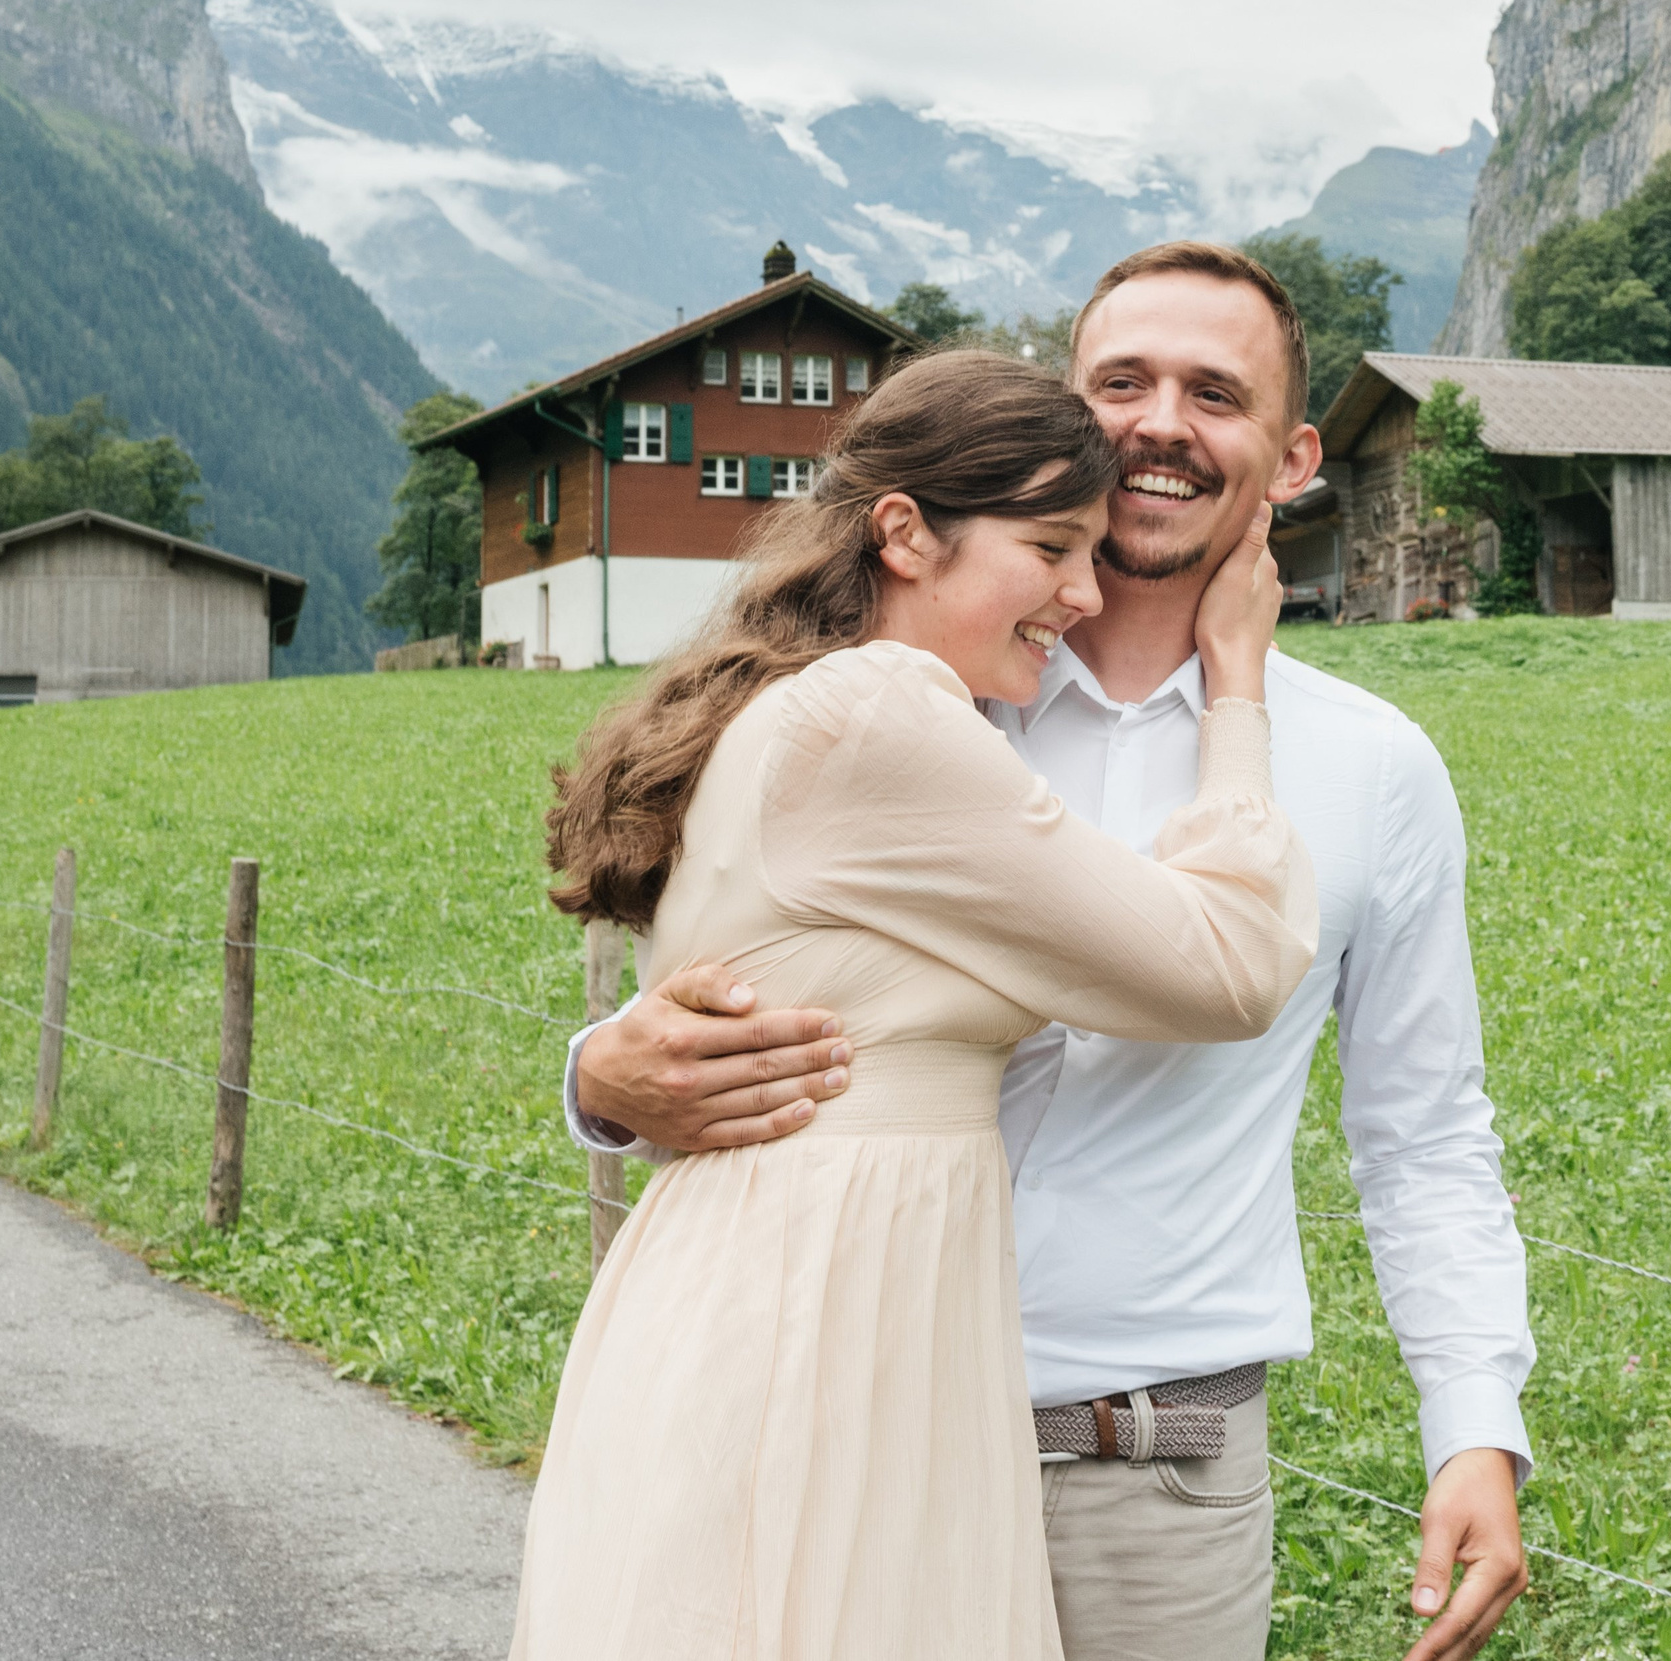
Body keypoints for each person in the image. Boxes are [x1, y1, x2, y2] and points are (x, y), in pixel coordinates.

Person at [569, 244, 1534, 1661]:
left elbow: (1426, 1130)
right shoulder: (926, 688)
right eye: (1121, 382)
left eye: (1217, 394)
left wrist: (1474, 1425)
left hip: (1156, 1476)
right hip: (842, 1426)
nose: (1160, 424)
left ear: (1295, 456)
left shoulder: (1376, 771)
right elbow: (732, 969)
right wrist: (602, 1075)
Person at [511, 349, 1316, 1660]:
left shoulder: (820, 704)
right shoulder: (878, 716)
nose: (1082, 587)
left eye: (1095, 547)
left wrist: (603, 1073)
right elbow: (1224, 964)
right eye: (1052, 545)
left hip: (805, 1303)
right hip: (816, 1327)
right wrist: (1236, 686)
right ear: (905, 533)